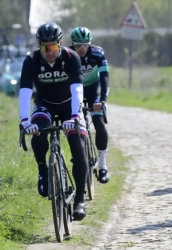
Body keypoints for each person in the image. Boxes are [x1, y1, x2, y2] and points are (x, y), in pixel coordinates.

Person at [18, 22, 89, 220]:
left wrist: (75, 115)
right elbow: (24, 92)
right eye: (44, 48)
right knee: (37, 132)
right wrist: (25, 121)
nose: (49, 52)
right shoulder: (31, 60)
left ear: (60, 43)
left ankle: (80, 201)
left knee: (78, 143)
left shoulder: (71, 57)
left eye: (53, 47)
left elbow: (77, 90)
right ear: (38, 45)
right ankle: (43, 169)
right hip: (45, 105)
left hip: (69, 106)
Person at [69, 27, 110, 184]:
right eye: (78, 45)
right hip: (75, 90)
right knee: (76, 123)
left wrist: (103, 100)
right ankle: (78, 150)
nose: (82, 49)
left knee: (98, 123)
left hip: (94, 90)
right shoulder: (67, 54)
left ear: (89, 44)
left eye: (85, 45)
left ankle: (103, 166)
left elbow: (105, 77)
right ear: (73, 44)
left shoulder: (97, 53)